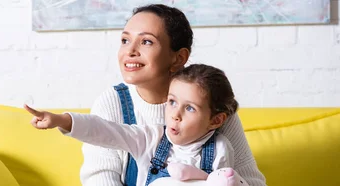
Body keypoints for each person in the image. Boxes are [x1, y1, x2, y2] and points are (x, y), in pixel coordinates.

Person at [45, 3, 266, 186]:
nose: (130, 51)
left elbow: (251, 181)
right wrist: (63, 120)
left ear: (178, 58)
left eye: (146, 41)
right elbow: (100, 178)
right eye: (125, 40)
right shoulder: (113, 103)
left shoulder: (211, 104)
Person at [24, 64, 247, 185]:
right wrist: (63, 120)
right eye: (172, 102)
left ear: (216, 120)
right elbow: (106, 131)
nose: (175, 115)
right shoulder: (150, 138)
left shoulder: (221, 148)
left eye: (189, 108)